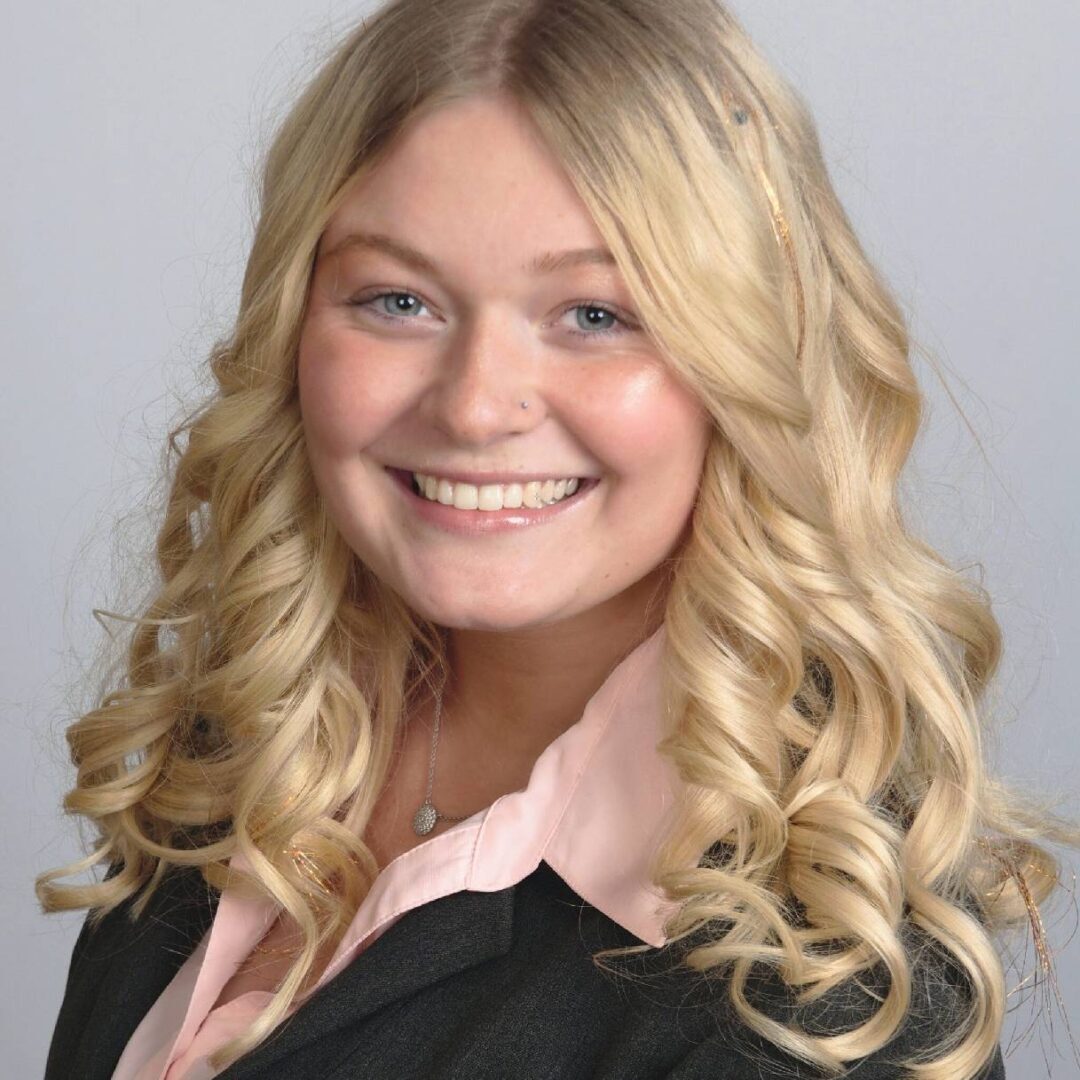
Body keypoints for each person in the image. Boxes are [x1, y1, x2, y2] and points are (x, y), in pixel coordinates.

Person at [37, 1, 1077, 1077]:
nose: (478, 406)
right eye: (398, 299)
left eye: (594, 315)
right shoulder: (244, 756)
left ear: (754, 359)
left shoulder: (818, 1001)